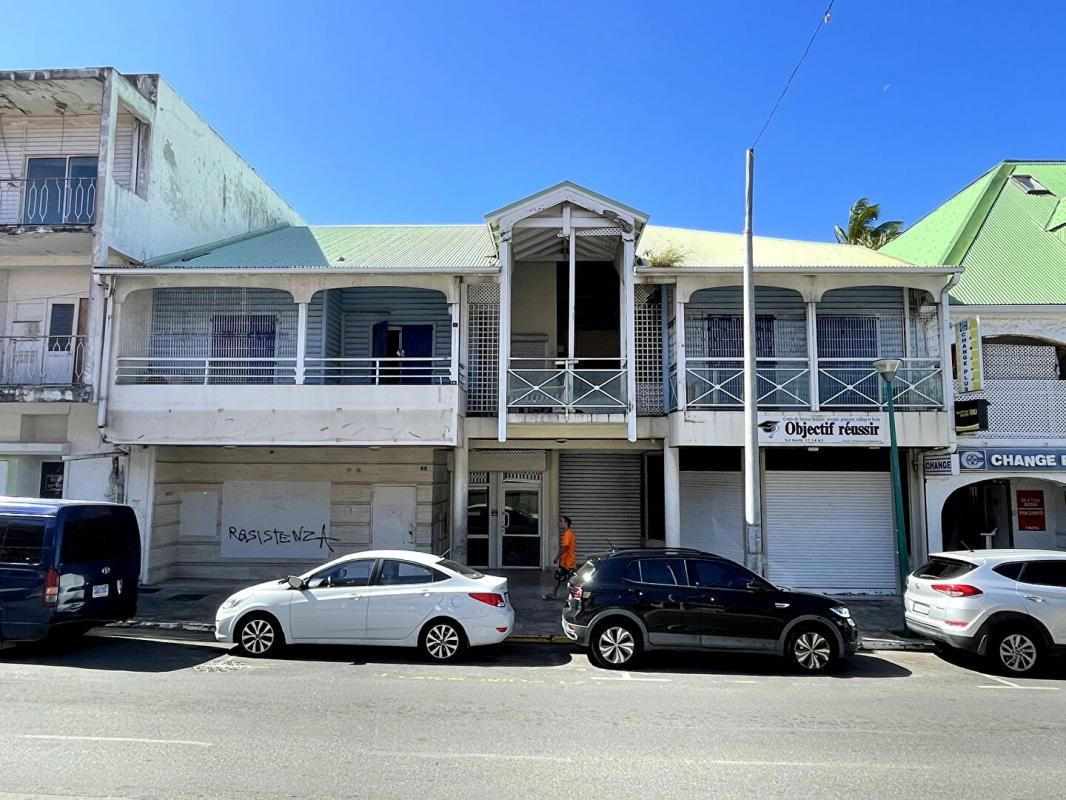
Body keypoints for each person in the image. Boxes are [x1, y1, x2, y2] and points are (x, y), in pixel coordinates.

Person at [544, 515, 577, 601]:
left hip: (568, 563)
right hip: (565, 563)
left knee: (572, 581)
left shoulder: (568, 534)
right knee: (558, 579)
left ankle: (575, 598)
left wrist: (556, 557)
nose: (559, 523)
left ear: (565, 523)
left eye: (561, 521)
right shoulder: (568, 533)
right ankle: (553, 595)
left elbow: (565, 547)